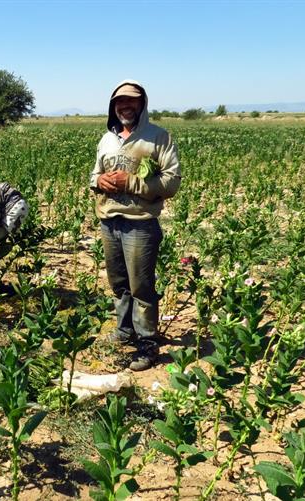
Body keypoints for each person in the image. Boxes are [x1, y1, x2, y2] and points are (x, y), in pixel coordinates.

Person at [89, 80, 182, 371]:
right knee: (118, 283)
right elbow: (95, 174)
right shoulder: (107, 139)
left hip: (140, 223)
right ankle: (125, 330)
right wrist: (98, 182)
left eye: (131, 101)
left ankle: (147, 344)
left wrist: (131, 182)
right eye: (119, 102)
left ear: (142, 105)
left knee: (141, 285)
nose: (125, 106)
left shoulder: (158, 137)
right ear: (112, 106)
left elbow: (172, 181)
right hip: (109, 220)